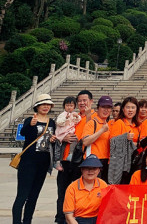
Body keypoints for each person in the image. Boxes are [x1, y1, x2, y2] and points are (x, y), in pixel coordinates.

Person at [13, 93, 56, 224]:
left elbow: (50, 141)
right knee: (22, 195)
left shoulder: (52, 122)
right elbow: (23, 133)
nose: (45, 107)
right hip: (28, 162)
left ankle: (27, 221)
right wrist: (30, 125)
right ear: (37, 107)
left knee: (33, 196)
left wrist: (53, 140)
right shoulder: (30, 119)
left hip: (43, 163)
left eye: (48, 104)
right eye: (43, 104)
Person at [55, 89, 94, 224]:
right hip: (66, 160)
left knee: (76, 193)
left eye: (85, 100)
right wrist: (63, 137)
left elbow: (89, 135)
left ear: (91, 101)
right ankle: (60, 218)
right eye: (80, 101)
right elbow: (59, 130)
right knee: (62, 192)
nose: (82, 103)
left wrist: (88, 116)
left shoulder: (94, 116)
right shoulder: (73, 116)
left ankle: (74, 219)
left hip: (80, 161)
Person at [63, 154, 107, 224]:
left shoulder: (103, 185)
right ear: (82, 170)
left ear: (99, 170)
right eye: (87, 168)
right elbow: (69, 216)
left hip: (98, 219)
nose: (91, 171)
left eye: (94, 168)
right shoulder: (72, 188)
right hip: (78, 220)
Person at [81, 95, 113, 183]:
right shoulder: (92, 123)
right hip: (93, 161)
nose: (106, 110)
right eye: (103, 107)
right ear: (98, 108)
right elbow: (85, 141)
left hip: (106, 161)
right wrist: (101, 131)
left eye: (109, 108)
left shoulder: (109, 124)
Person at [109, 96, 140, 184]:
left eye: (133, 108)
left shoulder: (136, 125)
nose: (130, 110)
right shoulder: (119, 123)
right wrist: (125, 138)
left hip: (132, 162)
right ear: (123, 109)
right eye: (128, 107)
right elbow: (112, 142)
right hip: (120, 164)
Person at [53, 97, 80, 171]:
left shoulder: (73, 114)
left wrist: (77, 116)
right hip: (62, 133)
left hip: (69, 132)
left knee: (74, 140)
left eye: (71, 106)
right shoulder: (62, 114)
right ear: (64, 106)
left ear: (74, 107)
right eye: (67, 105)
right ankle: (57, 162)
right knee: (59, 149)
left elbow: (77, 121)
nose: (69, 107)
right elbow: (59, 122)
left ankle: (70, 154)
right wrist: (65, 118)